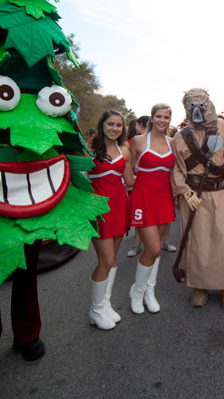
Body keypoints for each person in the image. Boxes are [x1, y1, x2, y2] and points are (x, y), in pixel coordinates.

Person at [172, 89, 224, 313]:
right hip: (193, 196)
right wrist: (184, 191)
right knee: (197, 241)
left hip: (218, 193)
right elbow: (176, 168)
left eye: (200, 104)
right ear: (186, 108)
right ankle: (199, 287)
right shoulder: (180, 137)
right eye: (191, 105)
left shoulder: (219, 125)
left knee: (222, 240)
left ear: (208, 103)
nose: (196, 109)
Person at [88, 110, 135, 329]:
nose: (115, 128)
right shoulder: (88, 148)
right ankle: (95, 310)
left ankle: (104, 305)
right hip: (98, 209)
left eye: (119, 125)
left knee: (113, 259)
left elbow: (129, 180)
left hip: (119, 205)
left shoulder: (124, 150)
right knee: (105, 260)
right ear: (102, 125)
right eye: (110, 124)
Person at [128, 104, 174, 314]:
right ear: (152, 118)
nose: (162, 120)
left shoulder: (172, 142)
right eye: (158, 116)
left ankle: (149, 291)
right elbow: (127, 173)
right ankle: (137, 291)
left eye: (166, 117)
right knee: (154, 249)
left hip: (164, 200)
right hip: (143, 199)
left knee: (155, 252)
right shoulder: (138, 141)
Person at [127, 115, 152, 257]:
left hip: (156, 188)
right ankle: (136, 244)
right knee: (140, 216)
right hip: (137, 185)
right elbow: (130, 163)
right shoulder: (135, 141)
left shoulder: (166, 141)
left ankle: (162, 243)